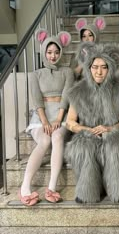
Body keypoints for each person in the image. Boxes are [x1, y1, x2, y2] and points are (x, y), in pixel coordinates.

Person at [65, 41, 119, 204]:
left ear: (110, 69)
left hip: (114, 132)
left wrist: (111, 128)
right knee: (85, 147)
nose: (99, 71)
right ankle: (87, 192)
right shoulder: (78, 91)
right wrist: (86, 129)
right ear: (88, 68)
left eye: (104, 67)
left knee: (114, 146)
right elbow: (70, 122)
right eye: (95, 67)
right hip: (86, 134)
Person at [18, 29, 74, 206]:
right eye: (49, 52)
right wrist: (44, 122)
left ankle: (52, 187)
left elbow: (66, 96)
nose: (53, 56)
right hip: (40, 116)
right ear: (43, 52)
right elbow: (36, 100)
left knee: (57, 136)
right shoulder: (35, 74)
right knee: (44, 141)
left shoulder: (67, 71)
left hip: (61, 114)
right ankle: (25, 187)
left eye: (56, 52)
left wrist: (58, 119)